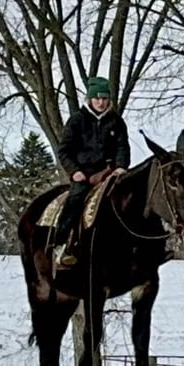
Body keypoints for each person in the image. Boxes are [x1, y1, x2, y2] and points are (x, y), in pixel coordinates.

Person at [53, 76, 130, 265]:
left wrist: (121, 167)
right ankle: (61, 244)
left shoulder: (117, 122)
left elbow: (123, 147)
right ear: (90, 99)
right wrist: (74, 171)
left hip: (110, 172)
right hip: (83, 173)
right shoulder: (77, 121)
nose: (101, 102)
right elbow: (64, 151)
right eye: (97, 98)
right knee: (75, 199)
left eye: (104, 98)